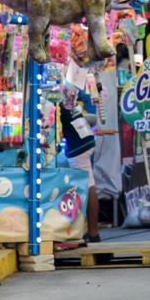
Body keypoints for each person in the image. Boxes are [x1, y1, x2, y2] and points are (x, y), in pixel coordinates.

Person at [60, 88, 100, 242]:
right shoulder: (67, 98)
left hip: (79, 146)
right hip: (85, 139)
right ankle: (90, 231)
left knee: (88, 187)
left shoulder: (56, 100)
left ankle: (93, 233)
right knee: (88, 185)